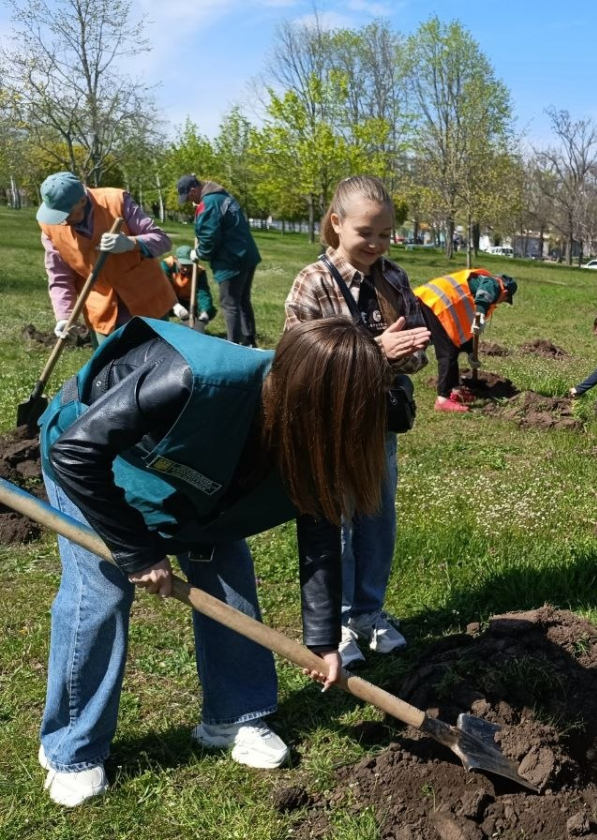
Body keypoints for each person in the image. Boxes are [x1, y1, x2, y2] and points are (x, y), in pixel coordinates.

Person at [37, 316, 393, 807]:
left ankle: (233, 718)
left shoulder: (313, 435)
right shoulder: (192, 379)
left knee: (228, 579)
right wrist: (138, 551)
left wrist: (322, 642)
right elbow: (76, 453)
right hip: (100, 463)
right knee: (101, 592)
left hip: (200, 485)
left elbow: (320, 535)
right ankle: (71, 750)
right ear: (303, 401)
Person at [284, 175, 431, 668]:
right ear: (336, 223)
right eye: (365, 232)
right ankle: (341, 621)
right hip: (331, 424)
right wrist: (375, 351)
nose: (376, 244)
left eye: (385, 234)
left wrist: (405, 353)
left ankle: (369, 611)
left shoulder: (394, 279)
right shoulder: (313, 282)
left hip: (379, 423)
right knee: (340, 523)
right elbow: (297, 363)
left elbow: (417, 353)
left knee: (378, 519)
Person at [37, 171, 176, 340]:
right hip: (102, 312)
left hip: (148, 304)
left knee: (157, 356)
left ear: (82, 201)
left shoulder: (116, 201)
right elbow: (59, 277)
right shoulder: (50, 226)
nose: (61, 221)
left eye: (66, 213)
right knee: (110, 358)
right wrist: (64, 317)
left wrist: (130, 243)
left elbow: (162, 241)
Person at [413, 268, 517, 412]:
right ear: (505, 292)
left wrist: (470, 353)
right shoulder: (493, 284)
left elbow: (465, 329)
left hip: (436, 304)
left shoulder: (482, 285)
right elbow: (483, 296)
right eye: (505, 300)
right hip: (436, 304)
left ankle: (455, 391)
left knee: (453, 349)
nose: (501, 302)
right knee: (448, 352)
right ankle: (442, 400)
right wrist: (480, 316)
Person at [177, 175, 261, 346]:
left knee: (229, 303)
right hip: (246, 255)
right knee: (242, 300)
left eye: (189, 197)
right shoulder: (223, 196)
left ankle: (233, 346)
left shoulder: (208, 203)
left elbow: (209, 238)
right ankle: (249, 340)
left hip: (231, 259)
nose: (189, 201)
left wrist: (198, 253)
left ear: (193, 190)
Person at [160, 247, 217, 326]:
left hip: (187, 301)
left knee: (209, 310)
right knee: (158, 302)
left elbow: (203, 293)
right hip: (168, 299)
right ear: (176, 260)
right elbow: (162, 288)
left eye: (189, 265)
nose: (186, 269)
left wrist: (205, 311)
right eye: (183, 265)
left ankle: (193, 325)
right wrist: (175, 305)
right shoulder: (167, 265)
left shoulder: (199, 272)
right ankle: (160, 326)